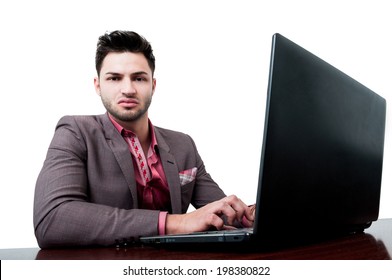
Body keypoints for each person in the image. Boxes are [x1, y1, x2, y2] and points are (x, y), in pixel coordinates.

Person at [33, 30, 255, 248]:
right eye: (114, 78)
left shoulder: (183, 144)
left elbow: (218, 214)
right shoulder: (75, 132)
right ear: (98, 85)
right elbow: (52, 219)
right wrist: (176, 222)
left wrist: (247, 217)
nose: (128, 89)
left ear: (153, 85)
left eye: (139, 78)